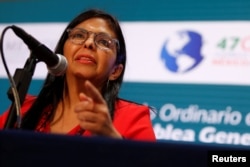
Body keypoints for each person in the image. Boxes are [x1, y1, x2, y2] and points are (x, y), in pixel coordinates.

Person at [0, 9, 156, 141]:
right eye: (79, 35)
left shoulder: (133, 117)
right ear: (61, 55)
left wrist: (110, 136)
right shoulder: (24, 107)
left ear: (115, 71)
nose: (88, 43)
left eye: (103, 41)